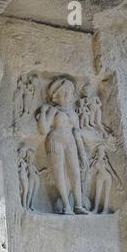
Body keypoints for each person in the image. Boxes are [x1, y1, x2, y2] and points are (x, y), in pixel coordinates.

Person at [37, 77, 89, 215]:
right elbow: (43, 129)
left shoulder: (73, 113)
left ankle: (78, 205)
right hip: (55, 141)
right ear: (56, 96)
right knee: (59, 173)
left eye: (69, 94)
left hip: (70, 142)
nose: (68, 97)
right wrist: (43, 112)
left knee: (75, 173)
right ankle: (66, 205)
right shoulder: (53, 111)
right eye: (64, 94)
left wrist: (83, 155)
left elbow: (77, 134)